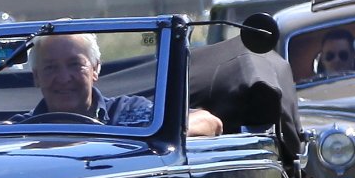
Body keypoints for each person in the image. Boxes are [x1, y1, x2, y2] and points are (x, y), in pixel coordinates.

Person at [12, 31, 223, 135]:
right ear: (36, 76)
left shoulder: (128, 114)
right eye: (51, 68)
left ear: (95, 69)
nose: (64, 78)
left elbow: (209, 122)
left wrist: (163, 134)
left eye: (75, 65)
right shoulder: (20, 131)